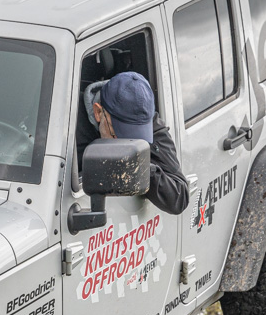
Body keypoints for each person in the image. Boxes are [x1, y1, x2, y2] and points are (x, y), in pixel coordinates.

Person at [77, 71, 188, 214]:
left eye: (137, 137)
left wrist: (140, 165)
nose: (128, 144)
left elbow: (178, 198)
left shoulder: (148, 122)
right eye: (119, 134)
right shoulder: (68, 124)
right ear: (98, 112)